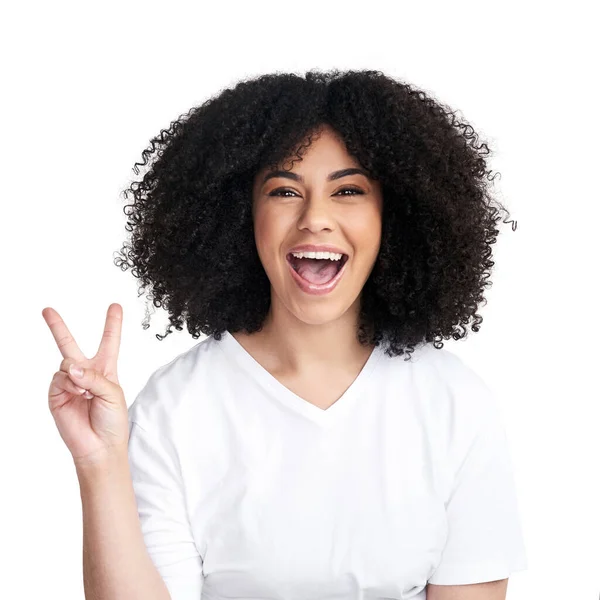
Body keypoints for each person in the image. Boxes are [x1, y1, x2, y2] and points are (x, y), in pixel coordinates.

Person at [43, 69, 527, 600]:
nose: (315, 217)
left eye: (348, 190)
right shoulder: (176, 408)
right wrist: (99, 465)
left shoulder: (454, 404)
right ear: (241, 216)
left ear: (393, 216)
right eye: (284, 191)